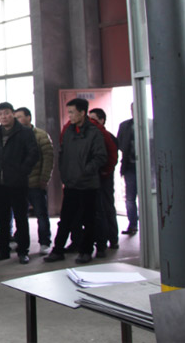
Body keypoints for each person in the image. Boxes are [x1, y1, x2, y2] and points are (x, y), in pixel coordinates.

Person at [44, 98, 107, 264]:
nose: (69, 115)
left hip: (88, 184)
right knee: (65, 219)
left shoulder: (94, 133)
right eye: (68, 112)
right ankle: (58, 250)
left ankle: (86, 251)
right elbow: (63, 153)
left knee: (89, 220)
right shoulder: (69, 131)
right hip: (71, 183)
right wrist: (65, 173)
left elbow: (100, 157)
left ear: (82, 113)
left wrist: (85, 171)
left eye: (72, 112)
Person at [0, 102, 39, 265]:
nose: (3, 117)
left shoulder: (24, 132)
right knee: (2, 218)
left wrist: (22, 171)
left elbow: (33, 154)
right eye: (0, 114)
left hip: (18, 182)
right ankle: (3, 249)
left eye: (6, 113)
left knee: (21, 218)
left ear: (12, 114)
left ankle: (23, 251)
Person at [14, 107, 54, 255]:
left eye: (20, 117)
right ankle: (20, 240)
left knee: (41, 214)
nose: (17, 120)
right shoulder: (14, 135)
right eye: (15, 118)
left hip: (36, 182)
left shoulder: (41, 135)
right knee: (20, 215)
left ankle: (45, 242)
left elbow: (48, 158)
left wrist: (44, 178)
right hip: (19, 183)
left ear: (29, 117)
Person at [88, 107, 119, 255]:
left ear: (102, 120)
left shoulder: (108, 137)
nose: (91, 122)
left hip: (105, 177)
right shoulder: (90, 135)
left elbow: (111, 158)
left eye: (94, 119)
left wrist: (105, 172)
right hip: (92, 178)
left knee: (107, 207)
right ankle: (99, 237)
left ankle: (112, 238)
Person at [117, 107, 138, 235]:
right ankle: (133, 224)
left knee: (148, 196)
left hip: (147, 167)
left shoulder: (150, 124)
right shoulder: (125, 126)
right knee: (130, 198)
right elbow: (119, 144)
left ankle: (149, 222)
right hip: (129, 166)